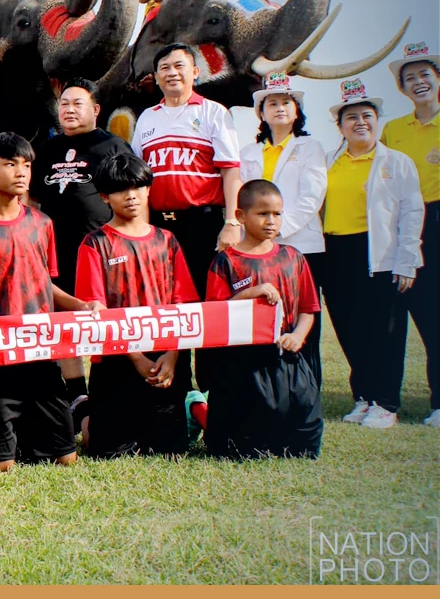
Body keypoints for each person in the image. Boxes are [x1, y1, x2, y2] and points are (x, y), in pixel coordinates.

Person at [0, 132, 96, 470]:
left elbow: (46, 285)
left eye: (26, 165)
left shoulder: (42, 224)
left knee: (66, 459)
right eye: (10, 164)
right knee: (1, 466)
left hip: (41, 354)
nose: (21, 172)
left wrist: (80, 305)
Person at [73, 154, 198, 457]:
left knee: (171, 451)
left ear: (148, 189)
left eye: (138, 187)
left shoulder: (167, 241)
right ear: (105, 197)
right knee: (109, 451)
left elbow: (186, 306)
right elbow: (97, 312)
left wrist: (171, 356)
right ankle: (86, 414)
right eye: (120, 190)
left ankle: (189, 409)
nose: (131, 196)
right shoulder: (95, 243)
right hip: (119, 359)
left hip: (166, 359)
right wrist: (137, 358)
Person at [321, 79, 424, 430]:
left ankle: (386, 403)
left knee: (385, 332)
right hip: (336, 251)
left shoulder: (397, 162)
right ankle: (363, 397)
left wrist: (408, 258)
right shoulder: (329, 162)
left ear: (378, 120)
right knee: (349, 329)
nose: (360, 122)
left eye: (367, 115)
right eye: (351, 117)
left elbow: (412, 212)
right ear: (340, 126)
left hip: (377, 253)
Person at [30, 78, 131, 424]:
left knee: (108, 315)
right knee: (64, 322)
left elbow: (135, 195)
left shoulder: (114, 146)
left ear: (96, 109)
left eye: (77, 104)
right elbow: (32, 199)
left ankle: (115, 385)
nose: (69, 110)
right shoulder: (47, 150)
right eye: (64, 105)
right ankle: (78, 395)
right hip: (57, 250)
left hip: (104, 251)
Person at [202, 180, 322, 459]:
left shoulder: (293, 257)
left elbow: (309, 307)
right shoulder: (226, 262)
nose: (271, 221)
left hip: (288, 359)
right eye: (263, 213)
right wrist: (250, 293)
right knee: (241, 445)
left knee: (303, 439)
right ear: (241, 216)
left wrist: (298, 336)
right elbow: (216, 314)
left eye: (277, 214)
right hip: (243, 365)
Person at [131, 43, 243, 303]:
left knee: (209, 302)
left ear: (195, 71)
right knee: (166, 301)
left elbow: (231, 172)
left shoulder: (214, 112)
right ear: (156, 79)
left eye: (179, 65)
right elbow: (140, 181)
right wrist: (143, 228)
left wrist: (233, 223)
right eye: (164, 68)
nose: (172, 72)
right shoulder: (147, 118)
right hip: (160, 226)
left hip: (203, 225)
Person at [238, 73, 327, 382]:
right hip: (259, 251)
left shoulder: (310, 147)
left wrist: (277, 228)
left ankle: (308, 383)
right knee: (268, 315)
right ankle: (272, 382)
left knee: (303, 314)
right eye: (271, 103)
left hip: (301, 245)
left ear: (297, 110)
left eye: (286, 103)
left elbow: (311, 197)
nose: (279, 108)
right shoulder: (249, 153)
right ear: (261, 113)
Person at [383, 41, 440, 427]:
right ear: (402, 89)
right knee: (407, 311)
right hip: (403, 224)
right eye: (410, 78)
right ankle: (385, 398)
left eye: (425, 75)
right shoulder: (392, 129)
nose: (418, 82)